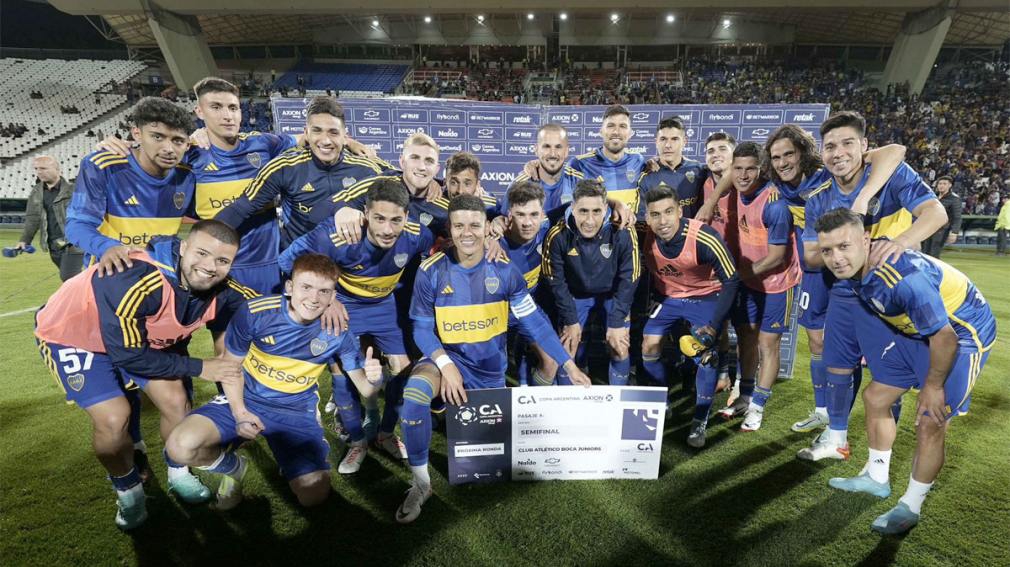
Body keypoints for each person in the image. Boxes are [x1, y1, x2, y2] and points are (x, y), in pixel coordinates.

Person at [33, 221, 250, 529]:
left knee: (177, 403)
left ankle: (179, 473)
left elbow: (264, 318)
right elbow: (129, 355)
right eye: (202, 253)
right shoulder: (136, 278)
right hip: (74, 334)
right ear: (183, 247)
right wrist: (202, 367)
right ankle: (130, 493)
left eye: (222, 260)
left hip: (137, 337)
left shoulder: (227, 291)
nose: (209, 267)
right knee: (113, 419)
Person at [396, 195, 590, 523]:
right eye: (459, 226)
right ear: (450, 229)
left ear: (487, 227)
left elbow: (534, 322)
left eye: (474, 225)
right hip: (446, 361)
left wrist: (568, 365)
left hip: (488, 372)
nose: (467, 232)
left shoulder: (505, 271)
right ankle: (421, 483)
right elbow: (422, 331)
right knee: (414, 396)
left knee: (486, 466)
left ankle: (459, 416)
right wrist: (446, 366)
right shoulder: (431, 271)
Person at [814, 208, 995, 535]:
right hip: (920, 331)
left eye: (844, 246)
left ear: (865, 240)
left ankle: (911, 506)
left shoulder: (902, 277)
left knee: (930, 420)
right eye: (828, 250)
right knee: (876, 397)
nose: (836, 258)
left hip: (963, 334)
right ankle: (876, 478)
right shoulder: (858, 268)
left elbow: (946, 337)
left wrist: (933, 386)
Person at [166, 254, 383, 509]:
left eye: (324, 291)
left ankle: (290, 457)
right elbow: (230, 368)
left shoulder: (337, 332)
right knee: (179, 446)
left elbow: (366, 389)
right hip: (247, 397)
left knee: (313, 495)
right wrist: (240, 413)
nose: (314, 298)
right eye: (306, 287)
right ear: (289, 287)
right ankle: (235, 468)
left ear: (333, 296)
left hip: (295, 410)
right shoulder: (256, 313)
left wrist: (375, 378)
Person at [798, 111, 947, 461]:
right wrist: (842, 250)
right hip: (845, 291)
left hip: (891, 293)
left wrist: (899, 243)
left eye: (847, 143)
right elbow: (810, 256)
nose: (838, 153)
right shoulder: (819, 196)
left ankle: (880, 460)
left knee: (886, 375)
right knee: (837, 365)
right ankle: (836, 439)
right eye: (830, 146)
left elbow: (936, 214)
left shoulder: (892, 176)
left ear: (864, 146)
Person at [759, 124, 906, 433]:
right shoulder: (776, 183)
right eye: (776, 157)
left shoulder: (828, 173)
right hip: (814, 269)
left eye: (789, 154)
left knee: (866, 343)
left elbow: (895, 151)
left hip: (845, 265)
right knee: (816, 340)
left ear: (803, 153)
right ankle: (822, 411)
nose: (783, 162)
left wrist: (863, 196)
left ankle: (878, 416)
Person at [279, 180, 433, 472]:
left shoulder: (418, 235)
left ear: (406, 217)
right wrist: (329, 297)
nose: (387, 229)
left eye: (396, 220)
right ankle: (357, 442)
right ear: (365, 214)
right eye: (379, 218)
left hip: (385, 306)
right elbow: (287, 262)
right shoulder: (335, 235)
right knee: (342, 370)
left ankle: (385, 434)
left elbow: (435, 253)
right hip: (344, 307)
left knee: (403, 367)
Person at [215, 95, 387, 250]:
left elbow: (399, 179)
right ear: (306, 133)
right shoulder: (284, 166)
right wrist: (205, 238)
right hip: (300, 262)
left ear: (345, 136)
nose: (325, 141)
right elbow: (241, 208)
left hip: (349, 266)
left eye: (333, 132)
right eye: (317, 131)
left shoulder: (367, 168)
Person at [640, 185, 738, 447]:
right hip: (669, 298)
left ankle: (699, 420)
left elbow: (731, 280)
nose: (663, 221)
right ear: (647, 217)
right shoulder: (642, 233)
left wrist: (714, 326)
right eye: (655, 214)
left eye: (668, 212)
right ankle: (662, 401)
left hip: (704, 295)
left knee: (706, 356)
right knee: (648, 345)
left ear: (679, 212)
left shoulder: (703, 237)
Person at [717, 142, 801, 431]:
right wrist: (709, 202)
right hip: (749, 281)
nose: (743, 175)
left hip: (777, 283)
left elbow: (776, 257)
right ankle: (745, 396)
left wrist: (736, 276)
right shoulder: (735, 189)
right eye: (738, 168)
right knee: (746, 338)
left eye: (750, 169)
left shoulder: (775, 205)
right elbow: (727, 179)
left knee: (768, 344)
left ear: (762, 169)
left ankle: (758, 407)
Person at [66, 96, 197, 274]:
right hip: (112, 273)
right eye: (157, 137)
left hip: (162, 275)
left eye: (178, 140)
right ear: (137, 134)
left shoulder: (188, 174)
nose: (168, 148)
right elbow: (77, 224)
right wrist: (107, 247)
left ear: (187, 144)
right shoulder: (103, 166)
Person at [543, 179, 640, 386]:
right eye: (583, 211)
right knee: (568, 346)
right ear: (572, 208)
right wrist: (570, 320)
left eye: (596, 211)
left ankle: (618, 398)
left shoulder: (623, 229)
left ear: (606, 208)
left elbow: (630, 277)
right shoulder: (557, 233)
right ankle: (569, 399)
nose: (589, 220)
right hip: (576, 294)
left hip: (612, 294)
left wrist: (617, 322)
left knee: (619, 345)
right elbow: (556, 282)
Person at [14, 156, 82, 281]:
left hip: (73, 243)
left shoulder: (74, 190)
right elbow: (32, 218)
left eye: (43, 168)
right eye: (36, 169)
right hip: (53, 245)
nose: (39, 172)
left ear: (57, 169)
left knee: (69, 278)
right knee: (74, 281)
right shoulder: (36, 192)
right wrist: (24, 240)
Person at [507, 123, 584, 212]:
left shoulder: (580, 183)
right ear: (536, 149)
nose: (552, 153)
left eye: (558, 147)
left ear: (566, 151)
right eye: (546, 146)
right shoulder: (518, 186)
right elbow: (504, 218)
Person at [921, 176, 962, 258]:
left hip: (941, 230)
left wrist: (954, 232)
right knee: (924, 253)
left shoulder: (954, 199)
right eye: (940, 183)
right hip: (927, 228)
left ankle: (934, 266)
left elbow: (957, 217)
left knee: (934, 253)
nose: (941, 186)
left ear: (950, 185)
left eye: (944, 184)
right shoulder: (932, 196)